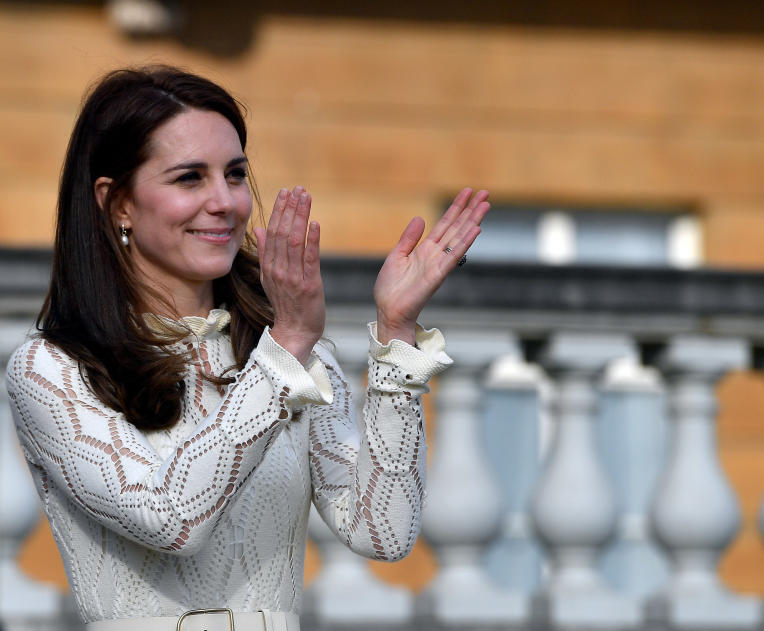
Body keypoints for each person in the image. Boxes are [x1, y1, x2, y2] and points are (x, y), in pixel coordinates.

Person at [5, 66, 489, 631]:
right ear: (117, 204)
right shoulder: (51, 367)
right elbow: (170, 520)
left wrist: (396, 333)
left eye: (235, 175)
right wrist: (284, 352)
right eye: (189, 178)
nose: (225, 202)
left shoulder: (287, 351)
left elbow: (383, 531)